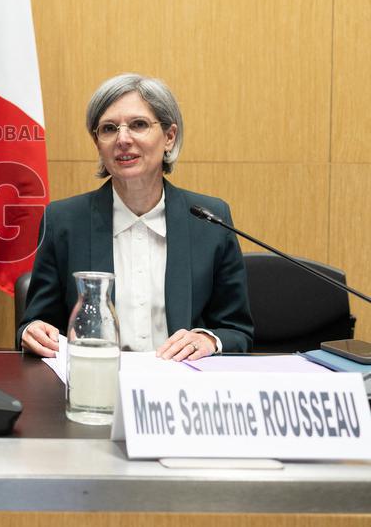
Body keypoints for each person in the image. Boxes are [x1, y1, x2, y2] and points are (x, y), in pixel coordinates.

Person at [18, 73, 252, 360]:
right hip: (97, 387)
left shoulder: (209, 220)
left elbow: (237, 330)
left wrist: (207, 339)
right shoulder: (64, 221)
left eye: (139, 125)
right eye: (108, 128)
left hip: (181, 389)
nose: (123, 139)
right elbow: (37, 323)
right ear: (97, 143)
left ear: (169, 136)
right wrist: (34, 331)